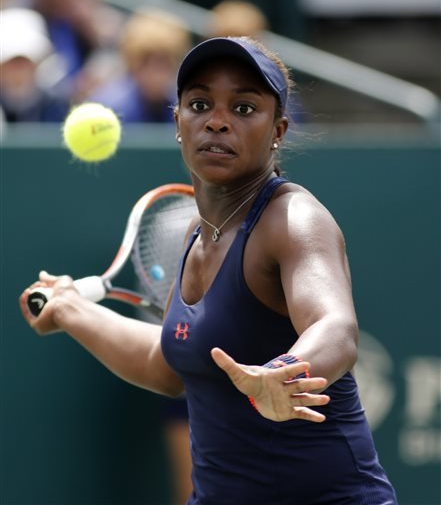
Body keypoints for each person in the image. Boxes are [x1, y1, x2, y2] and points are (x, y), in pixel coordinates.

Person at [19, 36, 398, 504]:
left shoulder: (294, 219)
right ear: (178, 122)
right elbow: (168, 367)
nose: (217, 121)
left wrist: (285, 372)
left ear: (278, 130)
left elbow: (334, 326)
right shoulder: (194, 238)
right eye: (200, 104)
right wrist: (70, 311)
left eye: (243, 108)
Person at [88, 9, 191, 124]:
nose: (156, 72)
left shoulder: (183, 108)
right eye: (146, 61)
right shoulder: (108, 108)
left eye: (164, 61)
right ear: (133, 62)